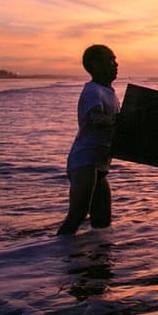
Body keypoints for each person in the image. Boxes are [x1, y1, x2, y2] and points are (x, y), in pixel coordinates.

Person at [57, 44, 119, 235]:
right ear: (95, 65)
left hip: (100, 164)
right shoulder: (92, 90)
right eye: (110, 60)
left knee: (103, 221)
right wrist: (120, 121)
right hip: (85, 160)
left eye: (115, 60)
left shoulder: (110, 92)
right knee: (78, 214)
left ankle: (96, 253)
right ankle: (58, 250)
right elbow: (93, 118)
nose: (115, 64)